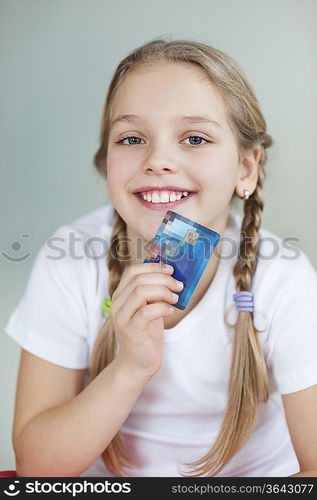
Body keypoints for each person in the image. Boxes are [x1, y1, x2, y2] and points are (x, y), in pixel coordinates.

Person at [4, 38, 317, 478]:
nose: (158, 160)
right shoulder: (70, 260)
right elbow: (38, 469)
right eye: (132, 138)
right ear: (107, 161)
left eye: (195, 138)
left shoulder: (283, 278)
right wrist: (130, 368)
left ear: (245, 168)